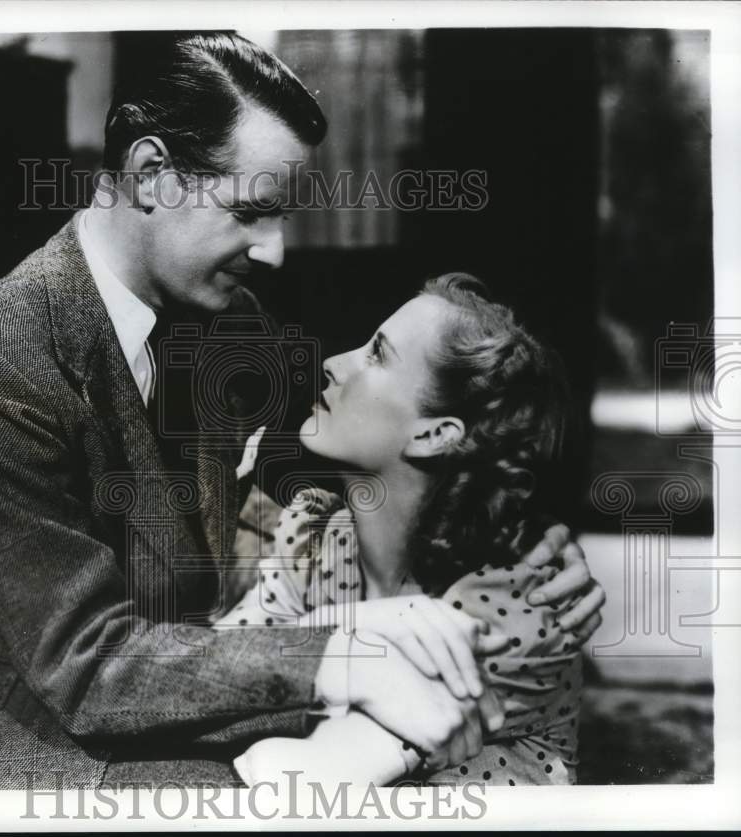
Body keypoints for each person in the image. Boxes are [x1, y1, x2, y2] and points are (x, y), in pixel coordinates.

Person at [0, 33, 604, 789]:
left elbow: (323, 494)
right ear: (152, 173)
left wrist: (525, 550)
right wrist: (344, 648)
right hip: (1, 725)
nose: (275, 251)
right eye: (251, 211)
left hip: (176, 679)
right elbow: (85, 662)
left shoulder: (228, 320)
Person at [224, 274, 586, 786]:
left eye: (377, 354)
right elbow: (198, 683)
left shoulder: (507, 613)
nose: (333, 363)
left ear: (434, 434)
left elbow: (296, 782)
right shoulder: (314, 538)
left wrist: (316, 641)